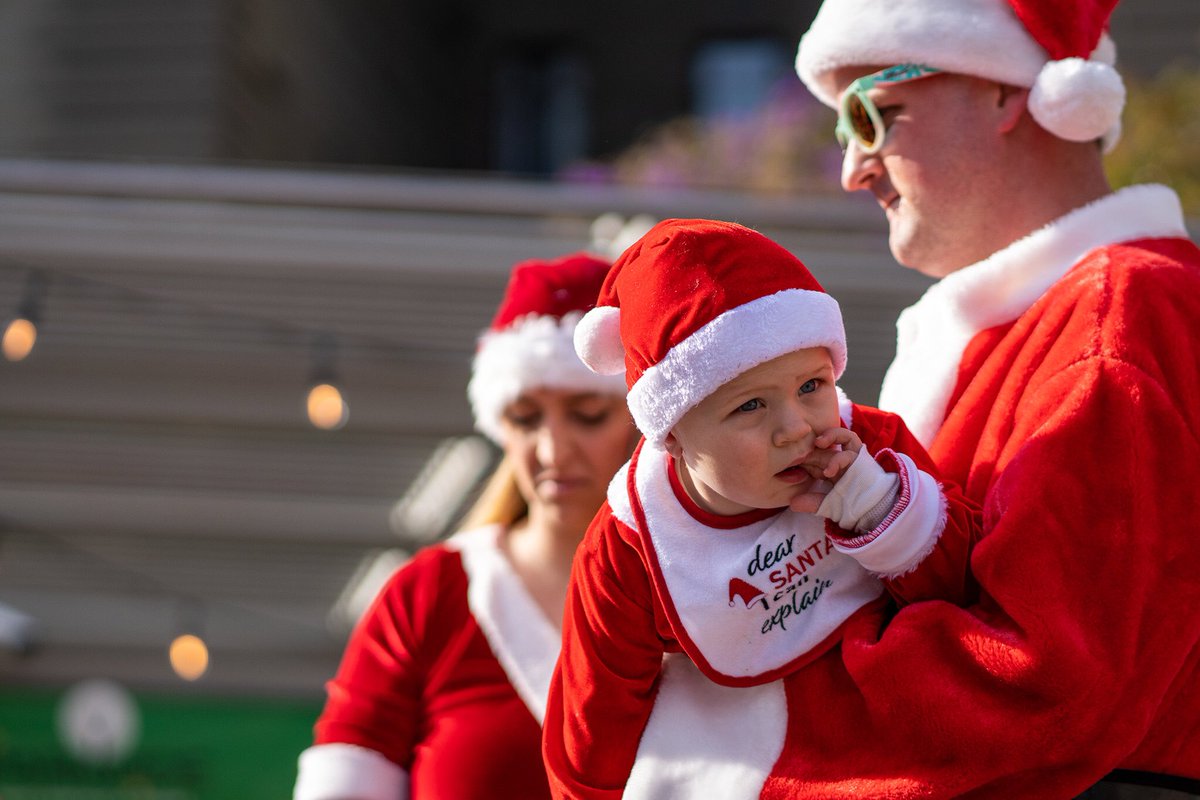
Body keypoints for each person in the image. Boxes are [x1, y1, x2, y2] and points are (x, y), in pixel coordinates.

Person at [774, 0, 1200, 796]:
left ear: (1009, 91)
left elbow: (1047, 683)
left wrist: (755, 725)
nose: (852, 168)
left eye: (876, 114)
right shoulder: (1053, 322)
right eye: (842, 129)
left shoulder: (1119, 313)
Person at [542, 218, 982, 798]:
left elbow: (962, 587)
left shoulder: (871, 446)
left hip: (911, 756)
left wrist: (877, 507)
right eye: (750, 405)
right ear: (670, 435)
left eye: (811, 386)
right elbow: (590, 736)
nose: (794, 428)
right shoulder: (631, 546)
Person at [292, 253, 636, 800]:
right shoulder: (429, 594)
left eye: (587, 413)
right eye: (524, 417)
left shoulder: (710, 579)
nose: (551, 448)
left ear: (640, 416)